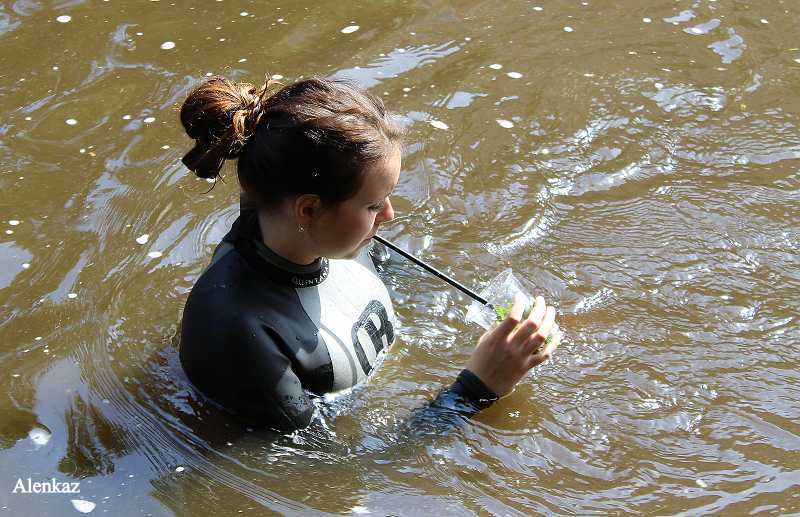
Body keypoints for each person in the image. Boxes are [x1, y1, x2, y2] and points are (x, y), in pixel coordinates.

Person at [177, 75, 561, 434]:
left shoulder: (330, 237)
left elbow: (414, 292)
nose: (390, 216)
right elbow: (337, 469)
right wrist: (477, 389)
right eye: (374, 206)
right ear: (308, 210)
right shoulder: (240, 336)